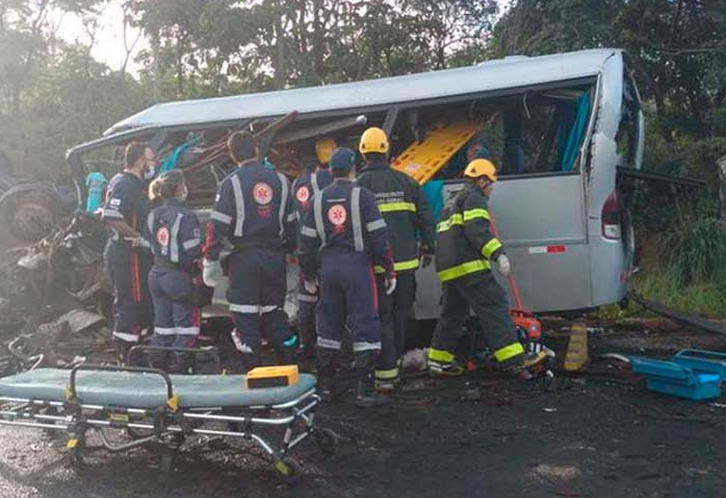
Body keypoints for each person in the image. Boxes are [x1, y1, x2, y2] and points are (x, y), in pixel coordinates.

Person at [427, 159, 546, 376]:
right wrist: (499, 255)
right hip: (468, 266)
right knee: (494, 304)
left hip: (449, 269)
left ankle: (438, 360)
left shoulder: (452, 201)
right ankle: (514, 359)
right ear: (481, 181)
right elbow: (478, 232)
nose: (491, 188)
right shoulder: (474, 199)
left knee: (453, 314)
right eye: (490, 183)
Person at [298, 147, 395, 407]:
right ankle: (365, 391)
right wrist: (387, 268)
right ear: (354, 169)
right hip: (358, 268)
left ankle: (327, 388)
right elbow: (378, 236)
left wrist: (308, 274)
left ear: (330, 170)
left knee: (328, 326)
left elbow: (306, 243)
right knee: (365, 324)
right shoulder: (363, 196)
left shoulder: (317, 200)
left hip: (327, 269)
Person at [202, 131, 298, 368]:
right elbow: (293, 224)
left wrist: (211, 259)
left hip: (244, 259)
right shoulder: (282, 181)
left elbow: (217, 226)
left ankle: (255, 376)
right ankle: (288, 367)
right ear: (256, 149)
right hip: (275, 257)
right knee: (275, 313)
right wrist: (286, 250)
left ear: (233, 156)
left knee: (245, 318)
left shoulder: (230, 184)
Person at [356, 127, 436, 391]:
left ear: (363, 153)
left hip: (375, 268)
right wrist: (429, 247)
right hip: (405, 266)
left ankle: (386, 373)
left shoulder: (357, 186)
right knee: (401, 315)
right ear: (387, 150)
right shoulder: (408, 183)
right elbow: (426, 217)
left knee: (381, 318)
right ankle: (397, 363)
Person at [101, 142, 156, 356]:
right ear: (140, 161)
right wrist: (139, 238)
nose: (154, 165)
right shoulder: (125, 184)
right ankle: (127, 354)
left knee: (142, 303)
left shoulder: (134, 185)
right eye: (152, 160)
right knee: (131, 303)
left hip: (136, 254)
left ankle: (139, 350)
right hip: (128, 253)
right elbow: (111, 216)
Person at [146, 170, 203, 372]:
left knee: (162, 327)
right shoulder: (186, 216)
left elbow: (148, 243)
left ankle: (157, 368)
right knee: (187, 327)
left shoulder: (154, 214)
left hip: (156, 274)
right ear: (180, 188)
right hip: (179, 277)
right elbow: (194, 249)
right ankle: (180, 369)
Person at [291, 138, 335, 364]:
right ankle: (330, 350)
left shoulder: (298, 184)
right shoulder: (330, 179)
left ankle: (305, 346)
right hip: (329, 251)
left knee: (306, 302)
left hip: (306, 249)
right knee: (331, 304)